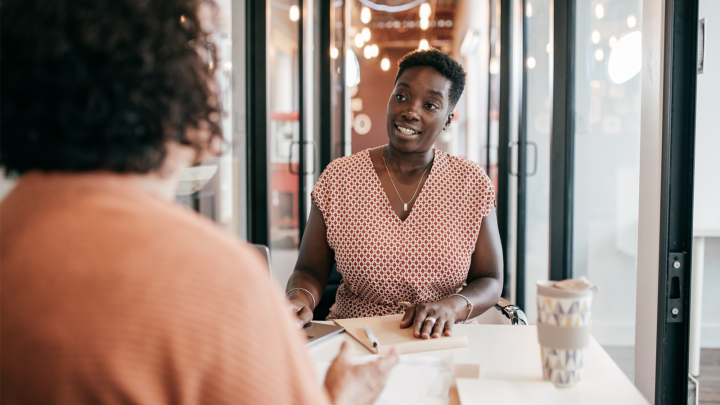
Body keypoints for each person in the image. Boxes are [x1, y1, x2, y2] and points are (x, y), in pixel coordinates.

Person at [0, 1, 398, 404]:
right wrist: (340, 397)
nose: (218, 78)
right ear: (167, 82)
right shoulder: (210, 280)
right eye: (205, 53)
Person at [287, 49, 504, 340]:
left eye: (430, 104)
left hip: (441, 339)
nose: (411, 111)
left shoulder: (470, 183)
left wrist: (452, 307)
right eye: (401, 96)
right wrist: (301, 299)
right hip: (354, 339)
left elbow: (490, 278)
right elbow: (309, 271)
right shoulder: (339, 178)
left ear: (448, 119)